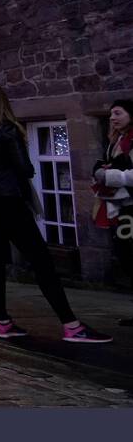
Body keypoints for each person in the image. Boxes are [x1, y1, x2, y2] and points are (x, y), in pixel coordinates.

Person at [0, 83, 110, 343]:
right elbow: (25, 168)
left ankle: (2, 321)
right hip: (7, 201)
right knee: (41, 261)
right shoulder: (6, 131)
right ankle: (71, 325)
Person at [92, 99, 133, 327]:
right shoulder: (115, 140)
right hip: (122, 207)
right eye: (110, 114)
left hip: (131, 207)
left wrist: (109, 175)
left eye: (117, 113)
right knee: (126, 256)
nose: (112, 118)